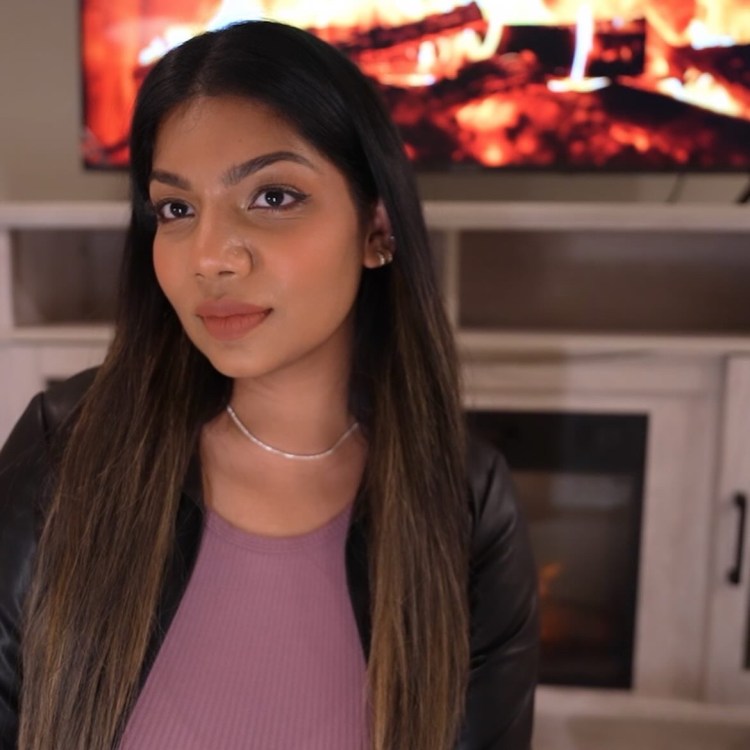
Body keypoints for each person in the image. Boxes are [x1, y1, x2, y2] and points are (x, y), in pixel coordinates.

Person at [0, 19, 538, 750]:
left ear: (377, 226)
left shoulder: (466, 503)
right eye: (176, 209)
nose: (210, 257)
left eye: (273, 197)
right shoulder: (65, 448)